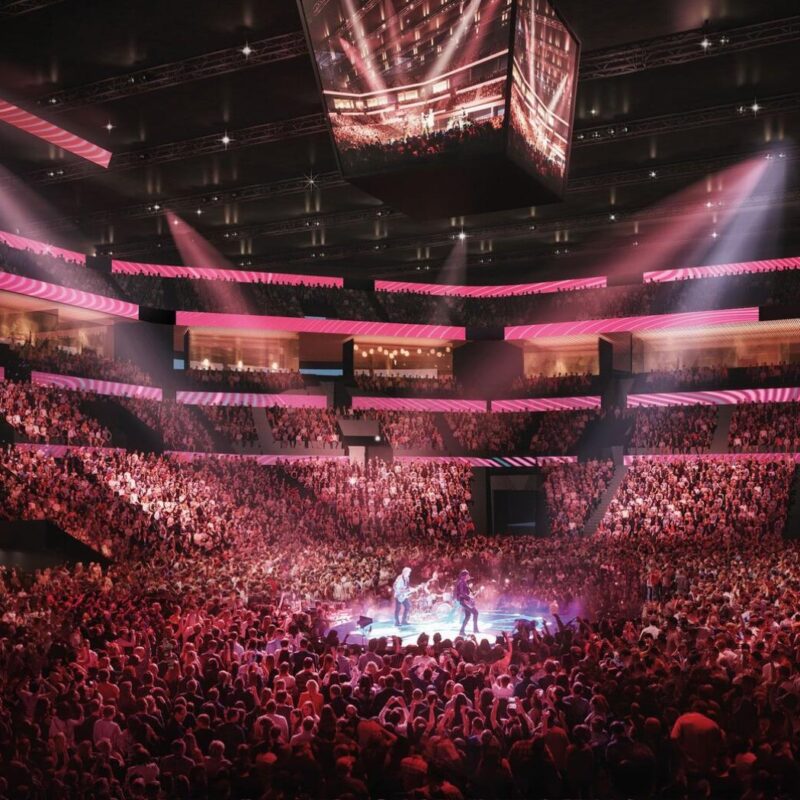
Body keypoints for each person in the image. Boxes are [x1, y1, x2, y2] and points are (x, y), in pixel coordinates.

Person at [455, 569, 479, 636]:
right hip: (464, 601)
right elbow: (462, 593)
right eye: (468, 575)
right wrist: (469, 598)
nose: (469, 576)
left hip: (465, 601)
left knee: (468, 616)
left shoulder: (464, 582)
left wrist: (472, 594)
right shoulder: (462, 582)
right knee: (475, 612)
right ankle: (475, 629)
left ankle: (462, 631)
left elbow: (465, 592)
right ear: (465, 576)